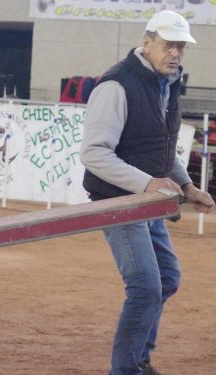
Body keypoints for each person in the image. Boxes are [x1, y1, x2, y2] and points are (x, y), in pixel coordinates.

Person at [80, 11, 215, 375]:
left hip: (147, 201)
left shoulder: (166, 84)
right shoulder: (116, 85)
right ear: (147, 42)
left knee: (166, 278)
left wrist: (186, 186)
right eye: (169, 45)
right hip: (118, 200)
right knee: (145, 287)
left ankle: (138, 358)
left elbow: (160, 148)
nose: (176, 53)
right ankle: (125, 370)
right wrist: (147, 183)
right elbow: (93, 154)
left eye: (182, 47)